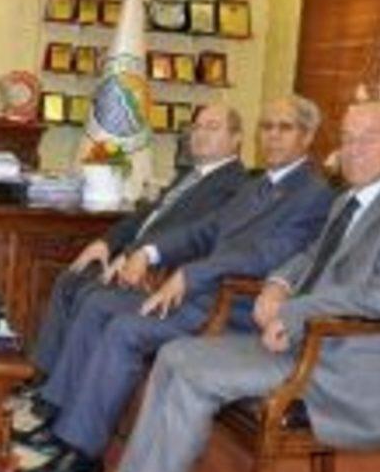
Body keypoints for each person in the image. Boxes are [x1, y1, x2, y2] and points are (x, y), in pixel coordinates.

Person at [66, 102, 380, 472]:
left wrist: (296, 311)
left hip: (350, 369)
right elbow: (310, 258)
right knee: (174, 355)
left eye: (369, 138)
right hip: (311, 344)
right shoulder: (350, 200)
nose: (354, 149)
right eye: (347, 138)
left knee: (196, 376)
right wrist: (279, 284)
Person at [16, 96, 335, 472]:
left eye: (284, 128)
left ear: (308, 136)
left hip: (238, 310)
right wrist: (148, 252)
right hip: (200, 295)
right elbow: (203, 232)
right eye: (267, 127)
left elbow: (266, 255)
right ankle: (64, 425)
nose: (272, 136)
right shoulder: (256, 186)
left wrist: (190, 273)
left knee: (124, 328)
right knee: (99, 305)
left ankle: (82, 453)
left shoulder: (315, 194)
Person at [31, 103, 250, 382]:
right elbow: (147, 215)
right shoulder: (190, 174)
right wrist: (107, 242)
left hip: (160, 275)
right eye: (196, 127)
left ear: (236, 138)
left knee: (92, 298)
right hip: (136, 258)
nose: (201, 134)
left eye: (213, 127)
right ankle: (44, 378)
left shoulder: (235, 185)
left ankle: (58, 396)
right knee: (70, 279)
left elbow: (190, 236)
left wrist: (134, 252)